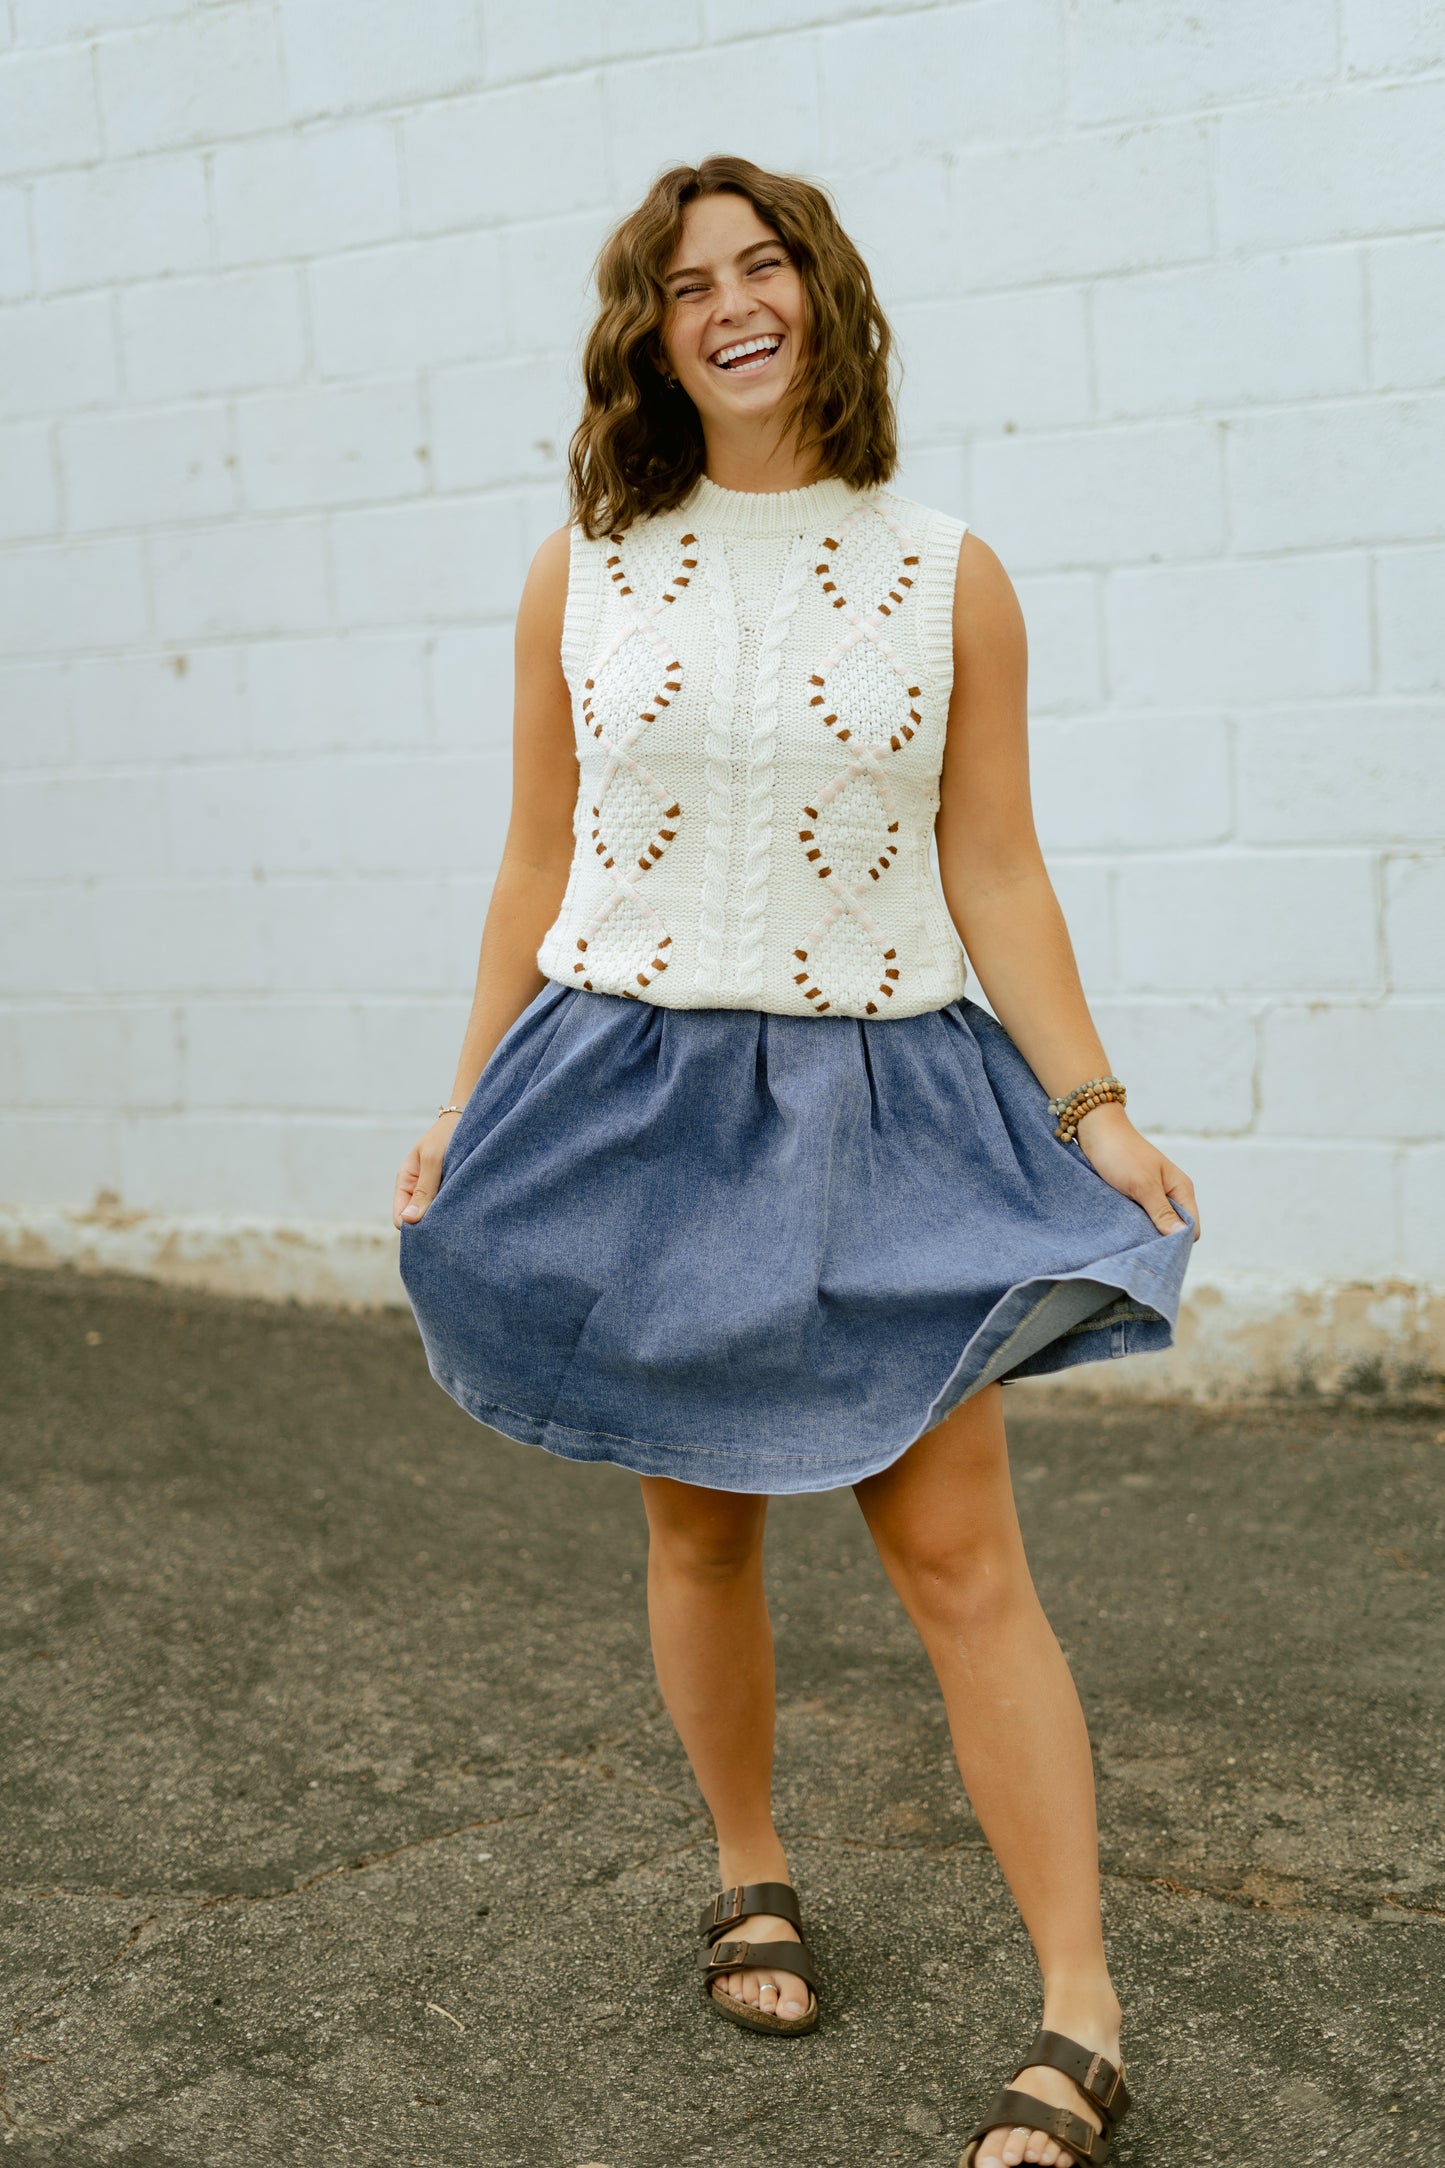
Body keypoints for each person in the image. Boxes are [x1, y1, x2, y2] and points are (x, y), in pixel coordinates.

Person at [394, 155, 1199, 2168]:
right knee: (702, 1530)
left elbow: (991, 862)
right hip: (640, 1100)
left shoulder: (949, 573)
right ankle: (748, 1866)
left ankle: (1080, 2005)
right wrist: (463, 1093)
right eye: (688, 285)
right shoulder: (585, 568)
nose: (731, 303)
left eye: (765, 268)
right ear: (649, 333)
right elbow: (535, 860)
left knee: (959, 1559)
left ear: (824, 298)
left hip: (882, 1103)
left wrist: (1094, 1101)